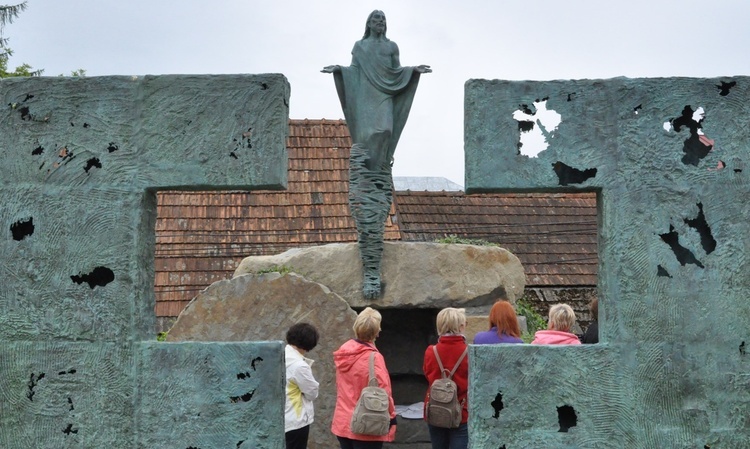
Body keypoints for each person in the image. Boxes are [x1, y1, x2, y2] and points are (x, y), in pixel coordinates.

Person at [322, 10, 431, 299]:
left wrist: (413, 71)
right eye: (375, 20)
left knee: (384, 131)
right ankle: (371, 167)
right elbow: (354, 72)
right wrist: (339, 71)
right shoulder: (360, 47)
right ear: (368, 24)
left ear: (385, 25)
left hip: (384, 98)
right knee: (368, 136)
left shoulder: (391, 47)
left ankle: (379, 164)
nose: (378, 24)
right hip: (364, 97)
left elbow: (396, 73)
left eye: (382, 21)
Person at [331, 307, 397, 448]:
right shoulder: (374, 357)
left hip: (343, 421)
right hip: (367, 423)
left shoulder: (343, 353)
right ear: (377, 332)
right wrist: (392, 417)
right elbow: (384, 391)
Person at [422, 308, 470, 449]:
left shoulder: (431, 351)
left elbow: (427, 374)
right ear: (460, 326)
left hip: (435, 409)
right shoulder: (468, 352)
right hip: (461, 412)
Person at [284, 322, 320, 449]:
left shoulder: (280, 355)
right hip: (295, 421)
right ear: (310, 343)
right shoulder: (299, 366)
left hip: (280, 418)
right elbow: (312, 393)